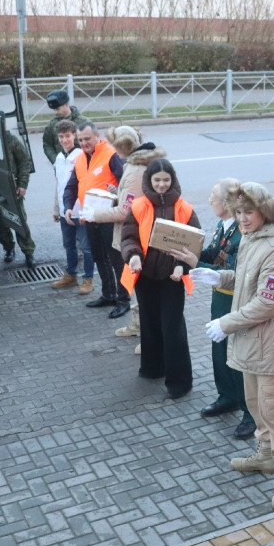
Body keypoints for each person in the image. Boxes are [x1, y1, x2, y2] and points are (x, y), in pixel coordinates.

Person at [190, 183, 274, 509]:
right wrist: (220, 278)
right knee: (255, 405)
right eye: (237, 213)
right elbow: (246, 277)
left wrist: (225, 323)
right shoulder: (254, 240)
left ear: (264, 212)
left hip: (270, 344)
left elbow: (267, 302)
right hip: (253, 342)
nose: (242, 219)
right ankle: (266, 455)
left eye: (248, 212)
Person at [171, 179, 257, 440]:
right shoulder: (224, 225)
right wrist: (190, 257)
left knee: (239, 355)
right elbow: (214, 253)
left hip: (237, 298)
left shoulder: (244, 233)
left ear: (228, 203)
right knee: (219, 349)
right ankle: (227, 396)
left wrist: (198, 262)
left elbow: (236, 272)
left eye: (213, 197)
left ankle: (250, 413)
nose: (210, 201)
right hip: (220, 295)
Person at [119, 159, 200, 399]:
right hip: (144, 276)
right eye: (157, 180)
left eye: (166, 180)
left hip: (172, 278)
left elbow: (194, 244)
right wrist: (132, 256)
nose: (162, 185)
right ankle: (152, 368)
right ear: (149, 181)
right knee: (149, 321)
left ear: (173, 180)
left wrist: (181, 267)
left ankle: (180, 381)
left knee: (173, 328)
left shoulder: (185, 208)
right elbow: (129, 238)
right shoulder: (139, 206)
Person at [100, 125, 166, 346]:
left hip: (138, 238)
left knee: (143, 288)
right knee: (138, 286)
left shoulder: (136, 169)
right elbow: (131, 198)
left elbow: (127, 211)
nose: (113, 150)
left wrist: (93, 214)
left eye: (116, 146)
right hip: (137, 237)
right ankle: (139, 326)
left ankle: (147, 334)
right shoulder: (136, 164)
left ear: (124, 146)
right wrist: (116, 193)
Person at [63, 121, 130, 320]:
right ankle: (109, 294)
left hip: (110, 217)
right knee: (99, 257)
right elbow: (72, 186)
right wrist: (68, 207)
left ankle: (123, 299)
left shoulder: (110, 155)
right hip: (91, 217)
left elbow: (126, 183)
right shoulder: (80, 159)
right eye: (80, 140)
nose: (84, 143)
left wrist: (118, 194)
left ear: (97, 136)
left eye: (87, 139)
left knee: (116, 259)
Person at [50, 119, 94, 294]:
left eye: (67, 136)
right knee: (69, 245)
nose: (64, 140)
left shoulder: (81, 156)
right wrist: (56, 208)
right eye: (61, 137)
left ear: (74, 136)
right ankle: (71, 275)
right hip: (64, 211)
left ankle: (88, 279)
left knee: (87, 247)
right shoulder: (59, 158)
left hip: (80, 210)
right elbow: (58, 185)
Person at [0, 110, 35, 268]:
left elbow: (24, 163)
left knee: (19, 221)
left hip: (13, 189)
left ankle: (28, 252)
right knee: (2, 223)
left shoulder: (12, 141)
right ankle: (9, 249)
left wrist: (22, 185)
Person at [43, 90, 85, 165]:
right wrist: (56, 161)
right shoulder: (52, 124)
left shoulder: (83, 122)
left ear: (66, 104)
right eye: (54, 109)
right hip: (62, 166)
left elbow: (92, 143)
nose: (56, 112)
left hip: (82, 165)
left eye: (58, 109)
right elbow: (47, 145)